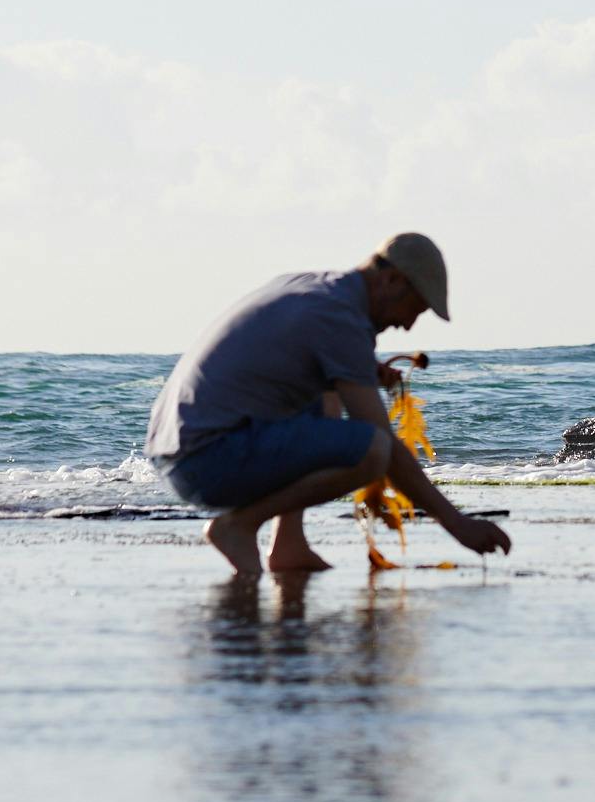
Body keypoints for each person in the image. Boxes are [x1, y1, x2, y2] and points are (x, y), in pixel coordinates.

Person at [146, 233, 513, 579]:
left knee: (328, 393)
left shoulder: (315, 289)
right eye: (415, 308)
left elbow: (289, 358)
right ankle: (239, 526)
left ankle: (287, 545)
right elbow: (383, 445)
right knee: (373, 450)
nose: (407, 324)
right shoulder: (340, 319)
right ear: (392, 281)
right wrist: (457, 523)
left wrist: (365, 371)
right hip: (205, 461)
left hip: (177, 452)